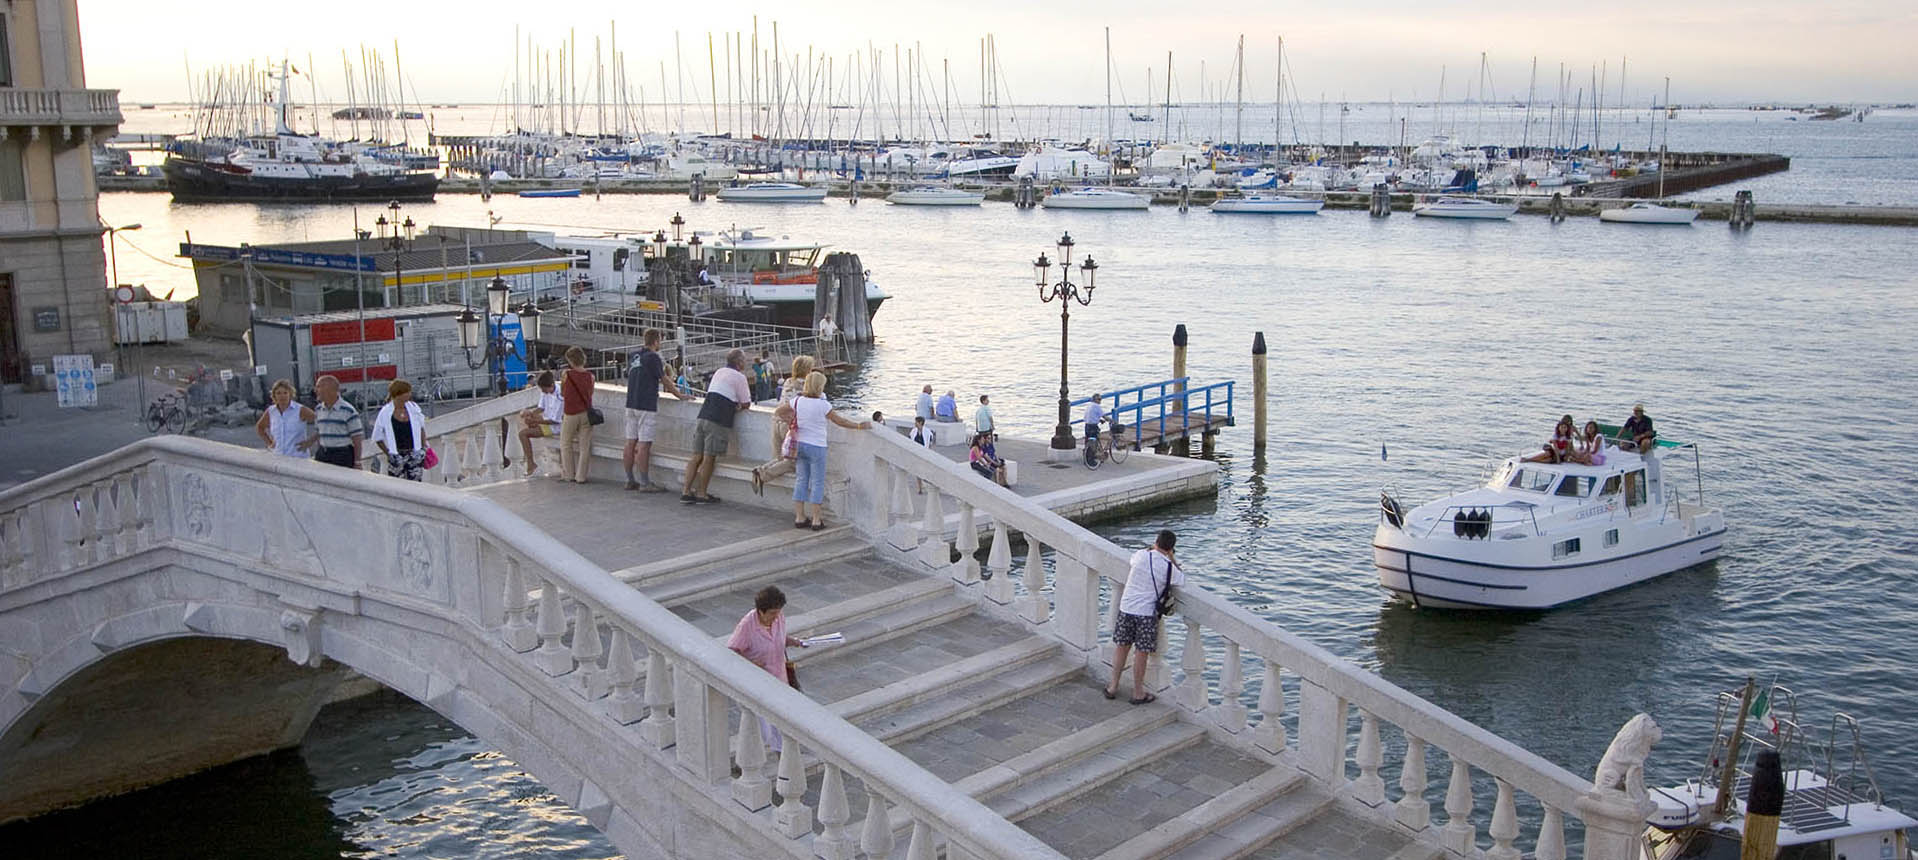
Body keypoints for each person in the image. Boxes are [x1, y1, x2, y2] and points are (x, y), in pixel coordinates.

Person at [1106, 530, 1185, 705]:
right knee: (1141, 654)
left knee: (1121, 648)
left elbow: (1134, 559)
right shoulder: (1168, 567)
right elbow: (1181, 580)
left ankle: (1112, 686)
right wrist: (1172, 559)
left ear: (1156, 542)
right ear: (1171, 548)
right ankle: (1138, 692)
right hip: (1146, 613)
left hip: (1126, 608)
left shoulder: (1141, 555)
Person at [727, 585, 808, 752]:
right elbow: (732, 652)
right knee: (767, 728)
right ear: (760, 611)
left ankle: (782, 762)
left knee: (782, 726)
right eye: (772, 613)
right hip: (760, 683)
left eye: (778, 612)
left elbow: (778, 637)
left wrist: (795, 642)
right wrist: (751, 663)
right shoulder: (747, 626)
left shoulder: (778, 617)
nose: (776, 616)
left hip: (779, 678)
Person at [790, 370, 873, 529]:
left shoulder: (797, 401)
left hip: (800, 444)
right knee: (817, 482)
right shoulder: (823, 405)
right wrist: (858, 425)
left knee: (801, 479)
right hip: (817, 446)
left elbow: (780, 412)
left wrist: (793, 423)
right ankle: (816, 519)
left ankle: (800, 517)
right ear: (819, 387)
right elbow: (839, 421)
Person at [683, 348, 754, 504]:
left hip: (703, 415)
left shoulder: (719, 372)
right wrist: (739, 407)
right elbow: (746, 403)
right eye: (744, 360)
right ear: (739, 362)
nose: (746, 363)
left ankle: (686, 491)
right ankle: (702, 494)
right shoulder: (740, 377)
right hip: (718, 420)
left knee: (696, 456)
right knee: (709, 458)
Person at [750, 354, 816, 496]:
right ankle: (762, 475)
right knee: (791, 462)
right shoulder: (806, 386)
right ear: (807, 370)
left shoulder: (788, 382)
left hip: (776, 421)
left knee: (780, 457)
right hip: (789, 426)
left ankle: (760, 469)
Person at [623, 330, 681, 491]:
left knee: (629, 442)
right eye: (660, 341)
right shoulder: (653, 357)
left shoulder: (634, 355)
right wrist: (679, 395)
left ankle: (629, 479)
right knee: (643, 445)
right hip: (646, 404)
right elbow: (664, 379)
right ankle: (644, 483)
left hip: (631, 402)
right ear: (656, 341)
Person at [371, 379, 429, 481]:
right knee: (397, 484)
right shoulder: (385, 412)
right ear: (398, 394)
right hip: (396, 455)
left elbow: (421, 428)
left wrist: (423, 448)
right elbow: (377, 436)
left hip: (414, 453)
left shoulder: (414, 408)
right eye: (407, 392)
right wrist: (388, 453)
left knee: (416, 485)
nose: (409, 394)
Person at [557, 347, 597, 484]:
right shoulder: (591, 376)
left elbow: (562, 393)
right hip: (586, 413)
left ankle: (569, 474)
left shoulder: (566, 374)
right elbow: (590, 393)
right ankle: (581, 476)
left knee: (565, 443)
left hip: (570, 413)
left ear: (570, 360)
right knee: (585, 447)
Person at [306, 375, 364, 468]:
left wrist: (357, 462)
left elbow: (357, 439)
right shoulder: (318, 409)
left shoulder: (348, 411)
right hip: (323, 454)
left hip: (342, 455)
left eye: (318, 387)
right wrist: (309, 443)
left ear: (330, 389)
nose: (315, 390)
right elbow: (319, 433)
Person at [515, 371, 564, 477]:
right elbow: (541, 407)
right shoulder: (545, 390)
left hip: (555, 426)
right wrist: (530, 414)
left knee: (522, 434)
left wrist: (535, 421)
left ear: (551, 385)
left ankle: (530, 463)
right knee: (528, 419)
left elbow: (555, 420)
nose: (543, 392)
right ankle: (531, 462)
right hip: (547, 420)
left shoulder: (560, 395)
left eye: (544, 390)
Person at [255, 379, 314, 458]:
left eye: (285, 393)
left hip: (298, 457)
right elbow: (260, 427)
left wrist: (310, 441)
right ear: (274, 395)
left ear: (290, 394)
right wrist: (269, 443)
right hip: (278, 456)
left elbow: (321, 423)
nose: (282, 396)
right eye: (278, 393)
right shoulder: (271, 411)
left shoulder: (300, 410)